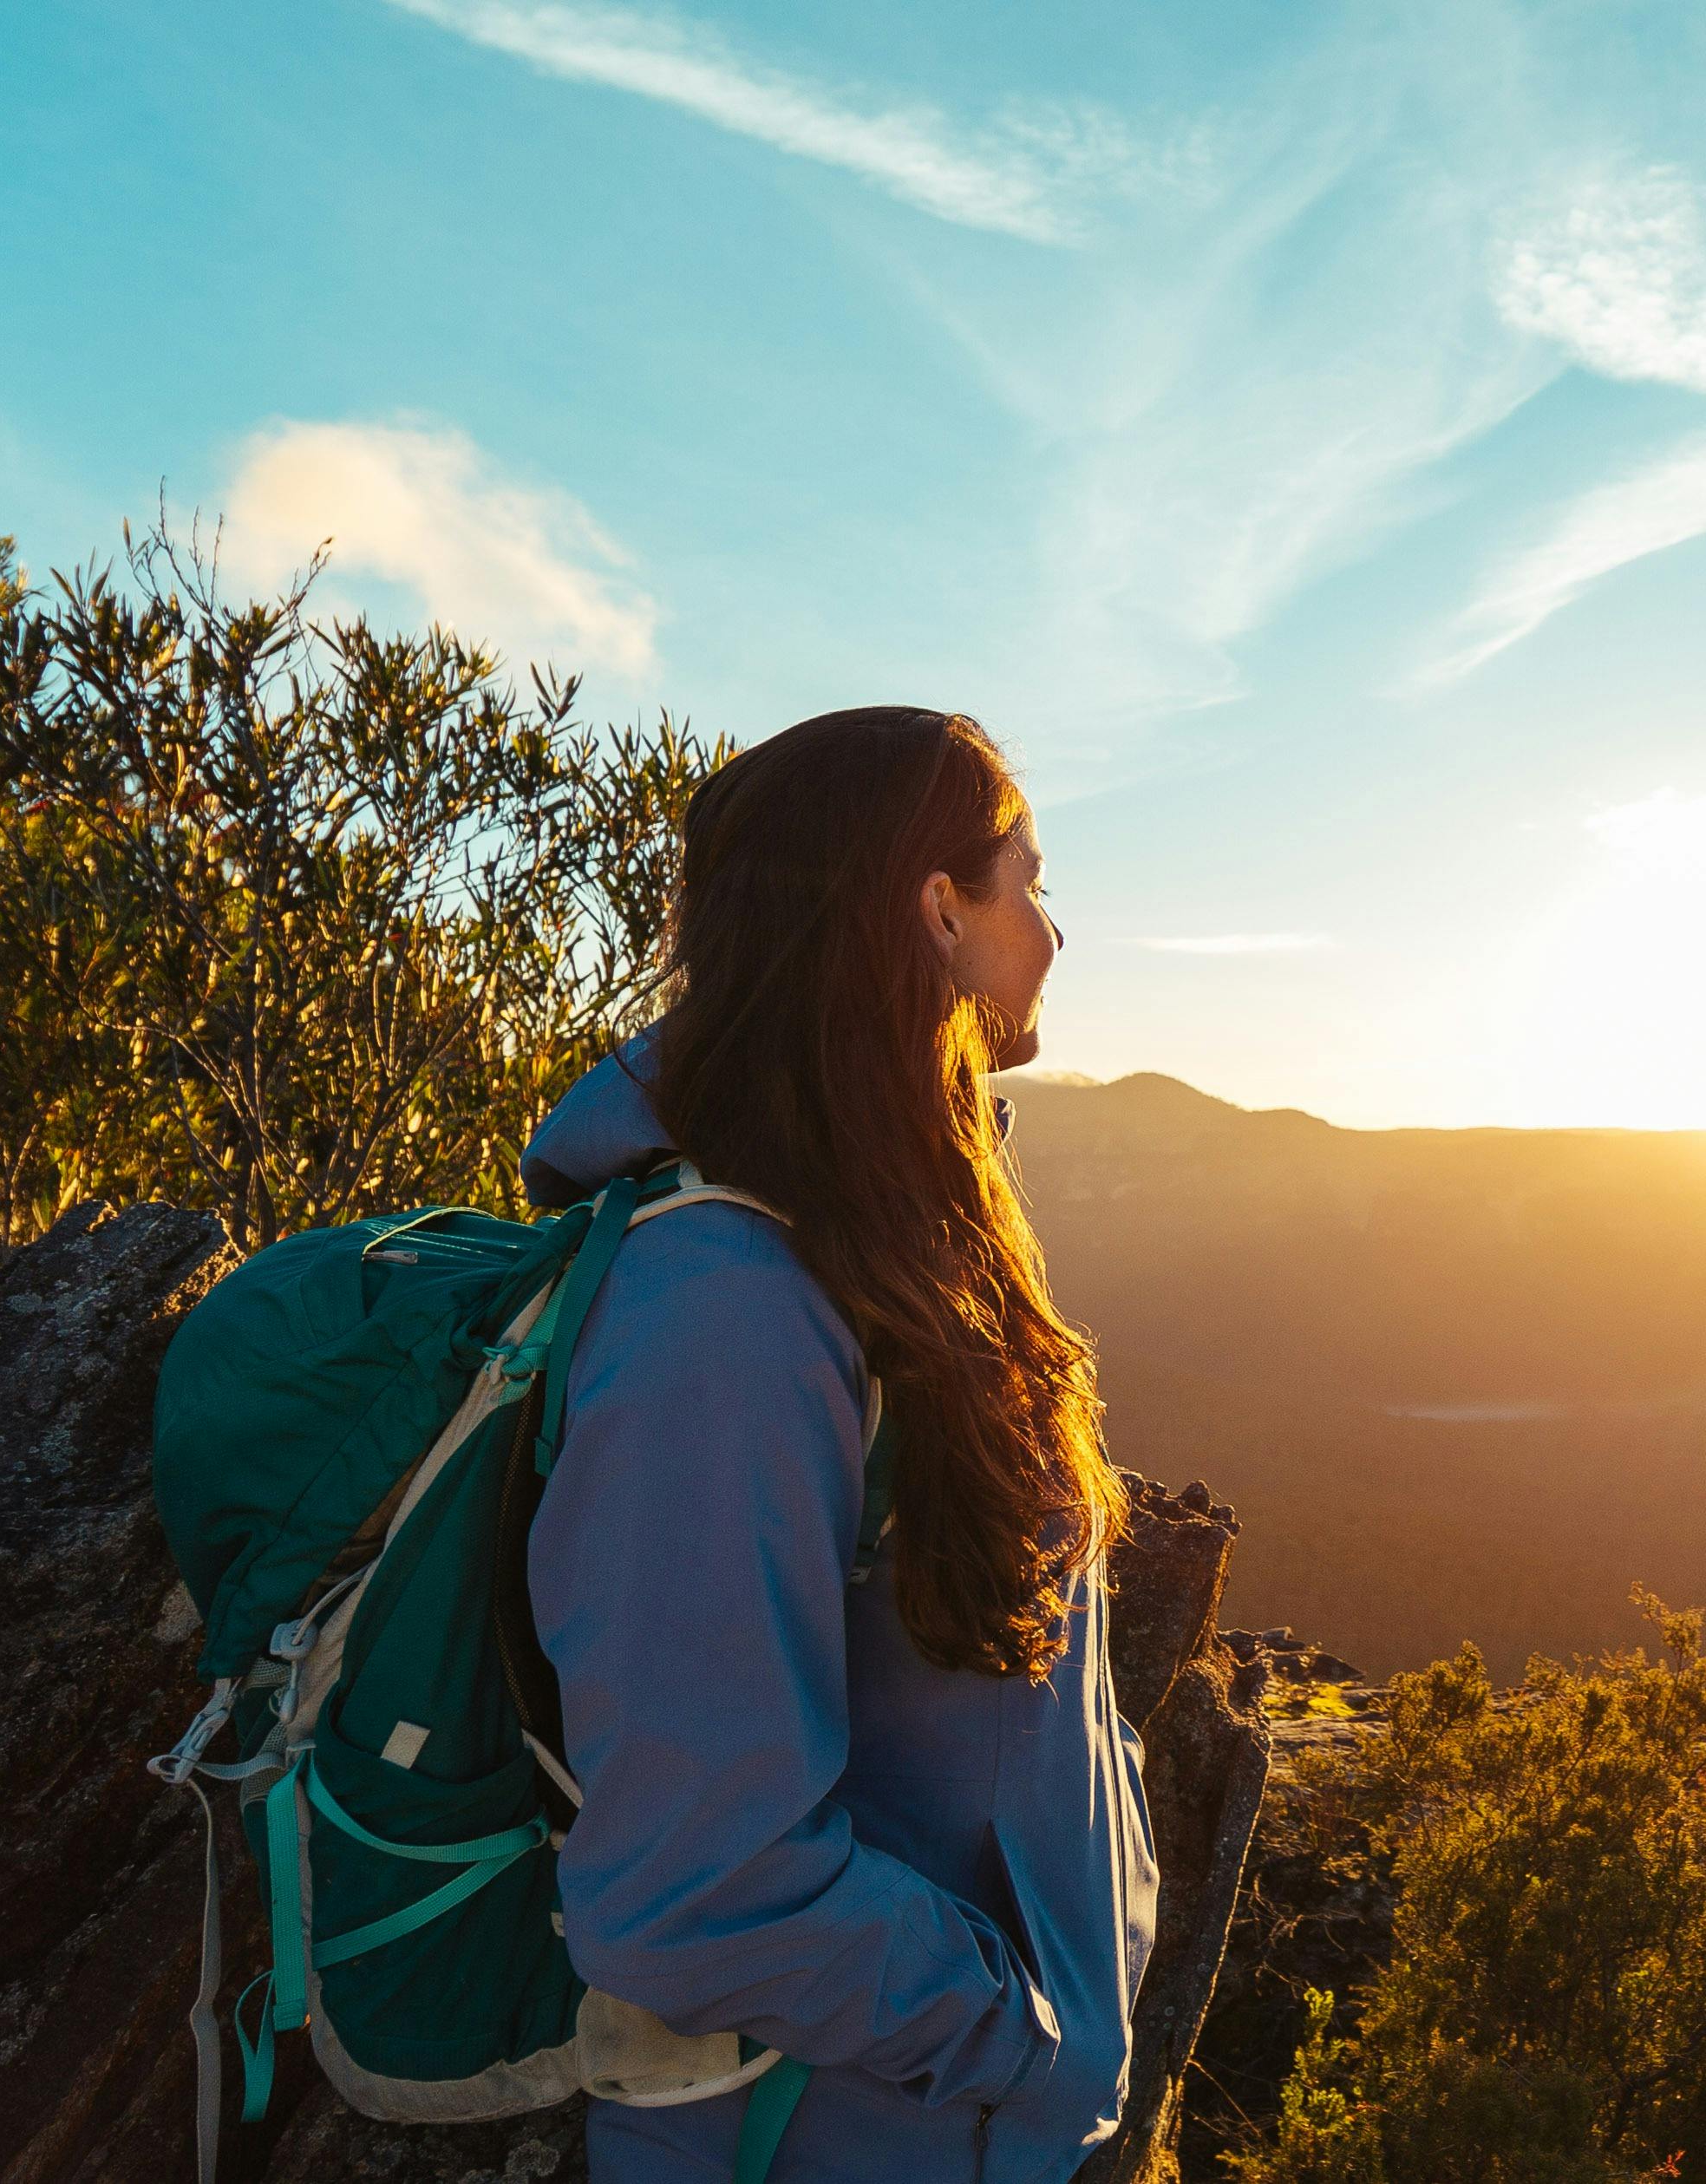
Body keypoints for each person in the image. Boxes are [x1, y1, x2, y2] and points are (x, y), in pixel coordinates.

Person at [515, 705, 1153, 2180]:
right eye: (1029, 881)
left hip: (952, 2122)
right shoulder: (726, 1313)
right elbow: (697, 1888)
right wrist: (1019, 2033)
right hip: (837, 2136)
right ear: (939, 909)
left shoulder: (888, 1244)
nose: (1052, 931)